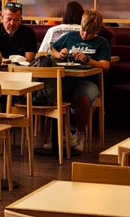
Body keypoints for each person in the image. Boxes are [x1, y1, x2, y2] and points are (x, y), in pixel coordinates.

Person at [46, 9, 112, 151]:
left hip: (89, 81)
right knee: (51, 94)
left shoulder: (102, 43)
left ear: (98, 30)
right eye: (83, 30)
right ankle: (59, 137)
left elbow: (105, 66)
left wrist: (88, 60)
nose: (84, 35)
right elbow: (52, 49)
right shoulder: (70, 36)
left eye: (89, 33)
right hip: (66, 79)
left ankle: (79, 135)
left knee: (83, 97)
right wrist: (59, 54)